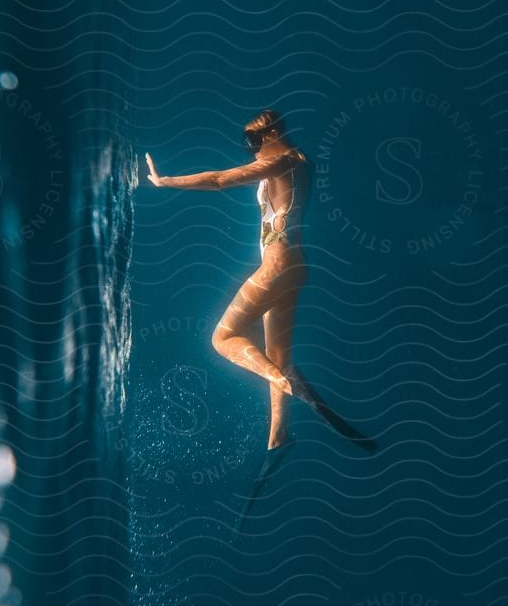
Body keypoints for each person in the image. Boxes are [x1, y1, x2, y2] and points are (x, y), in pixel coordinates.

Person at [145, 109, 375, 460]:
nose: (250, 149)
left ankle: (288, 384)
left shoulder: (282, 160)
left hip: (278, 265)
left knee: (222, 339)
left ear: (270, 134)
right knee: (278, 357)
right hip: (293, 266)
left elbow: (220, 180)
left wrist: (165, 181)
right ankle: (277, 435)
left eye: (252, 141)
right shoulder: (295, 162)